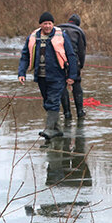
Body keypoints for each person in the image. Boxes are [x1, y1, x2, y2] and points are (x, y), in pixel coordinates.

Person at [17, 12, 79, 140]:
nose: (47, 26)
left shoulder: (61, 36)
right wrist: (21, 73)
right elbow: (25, 56)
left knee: (53, 101)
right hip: (41, 76)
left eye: (50, 23)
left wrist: (72, 75)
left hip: (58, 76)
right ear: (40, 24)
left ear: (53, 24)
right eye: (45, 23)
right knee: (47, 102)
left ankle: (49, 129)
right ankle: (57, 129)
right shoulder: (33, 37)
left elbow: (71, 55)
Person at [57, 14, 87, 120]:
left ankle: (67, 113)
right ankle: (80, 111)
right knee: (76, 83)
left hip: (59, 61)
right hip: (73, 61)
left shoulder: (57, 30)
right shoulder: (79, 31)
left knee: (62, 85)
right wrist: (80, 66)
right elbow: (81, 51)